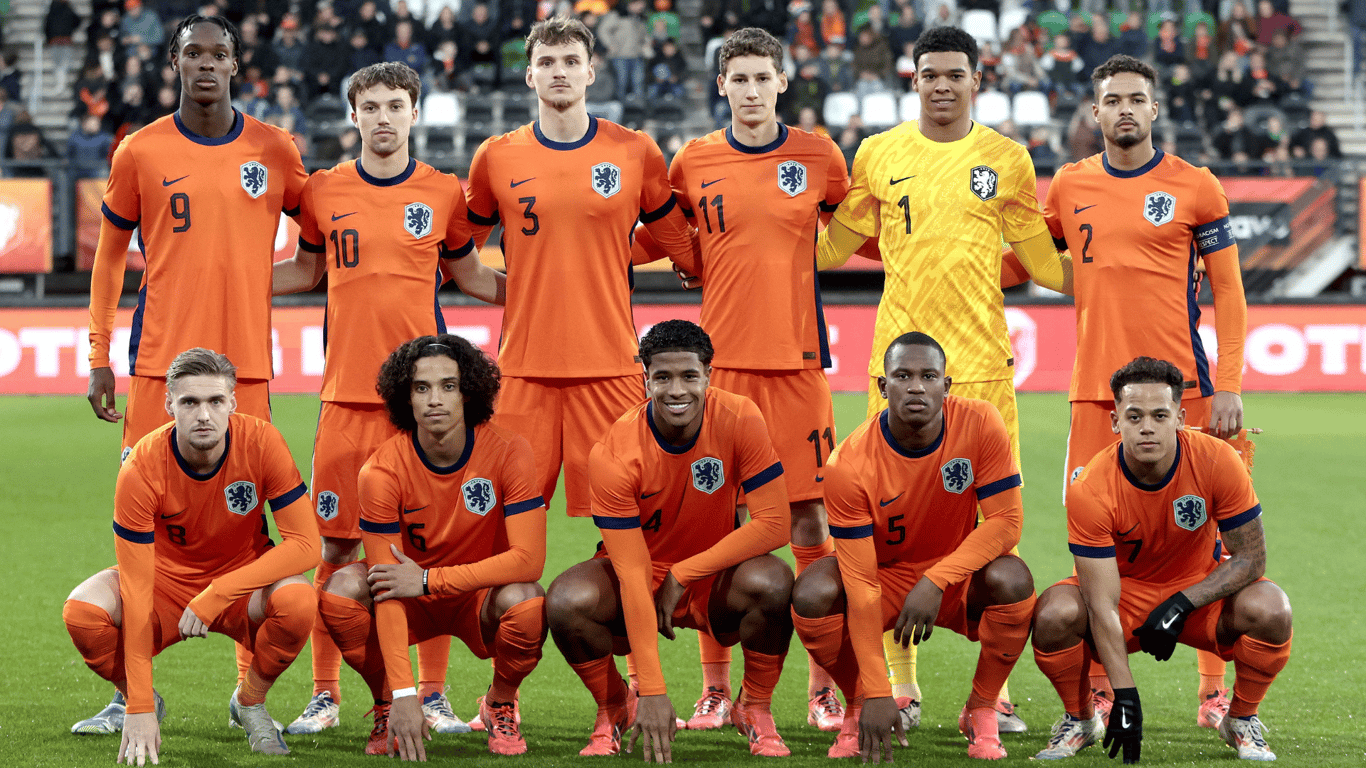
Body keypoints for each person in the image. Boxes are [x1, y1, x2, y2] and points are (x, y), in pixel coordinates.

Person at [814, 24, 1071, 734]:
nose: (942, 85)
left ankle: (998, 694)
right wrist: (748, 241)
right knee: (887, 531)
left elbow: (1043, 264)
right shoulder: (878, 152)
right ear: (914, 79)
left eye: (955, 74)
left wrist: (1121, 274)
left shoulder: (1008, 159)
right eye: (930, 73)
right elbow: (833, 245)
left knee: (998, 533)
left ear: (978, 79)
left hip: (981, 367)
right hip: (895, 371)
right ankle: (901, 684)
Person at [80, 14, 309, 735]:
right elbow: (110, 257)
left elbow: (324, 236)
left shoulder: (275, 149)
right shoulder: (140, 149)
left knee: (258, 527)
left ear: (237, 63)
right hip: (157, 370)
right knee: (140, 515)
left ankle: (251, 695)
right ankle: (130, 695)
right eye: (192, 53)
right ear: (173, 62)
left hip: (247, 371)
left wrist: (264, 285)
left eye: (219, 54)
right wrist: (97, 355)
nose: (206, 64)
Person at [1009, 55, 1248, 728]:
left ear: (1154, 109)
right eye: (1111, 99)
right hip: (1094, 395)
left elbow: (1229, 293)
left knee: (1209, 541)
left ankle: (1212, 693)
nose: (1123, 109)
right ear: (1094, 112)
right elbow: (1030, 262)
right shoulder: (1069, 183)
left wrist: (1227, 383)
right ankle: (1100, 693)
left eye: (1136, 99)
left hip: (1185, 394)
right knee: (1093, 542)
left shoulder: (1195, 186)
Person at [271, 61, 508, 739]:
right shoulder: (323, 190)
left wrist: (552, 292)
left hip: (423, 407)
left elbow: (470, 276)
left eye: (395, 105)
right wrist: (222, 278)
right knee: (337, 552)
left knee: (426, 553)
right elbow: (305, 269)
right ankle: (325, 694)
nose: (382, 117)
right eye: (370, 106)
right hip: (345, 400)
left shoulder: (442, 192)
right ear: (354, 116)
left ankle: (431, 694)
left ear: (414, 112)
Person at [634, 25, 849, 733]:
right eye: (739, 79)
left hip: (796, 365)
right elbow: (665, 237)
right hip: (718, 371)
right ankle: (715, 690)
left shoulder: (818, 156)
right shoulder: (693, 160)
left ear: (782, 82)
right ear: (720, 85)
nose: (751, 90)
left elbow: (855, 230)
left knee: (811, 517)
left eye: (764, 77)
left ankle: (822, 686)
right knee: (715, 521)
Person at [463, 15, 695, 522]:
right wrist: (524, 291)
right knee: (501, 524)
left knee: (629, 524)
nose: (559, 72)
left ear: (592, 72)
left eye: (571, 62)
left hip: (610, 366)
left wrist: (694, 264)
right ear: (529, 75)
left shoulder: (635, 151)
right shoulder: (496, 158)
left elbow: (679, 241)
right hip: (524, 371)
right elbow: (459, 255)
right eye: (546, 63)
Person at [546, 320, 795, 761]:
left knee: (774, 581)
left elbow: (775, 525)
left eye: (688, 377)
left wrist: (685, 572)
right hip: (637, 576)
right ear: (645, 379)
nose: (676, 390)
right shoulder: (613, 452)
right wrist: (654, 690)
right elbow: (632, 570)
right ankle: (615, 708)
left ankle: (755, 708)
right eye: (662, 377)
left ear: (709, 376)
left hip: (714, 576)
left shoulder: (740, 417)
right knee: (568, 600)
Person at [62, 348, 320, 761]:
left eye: (216, 402)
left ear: (233, 403)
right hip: (163, 583)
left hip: (241, 586)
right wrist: (140, 705)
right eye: (190, 402)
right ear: (169, 406)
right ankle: (137, 697)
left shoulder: (262, 441)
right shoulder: (141, 467)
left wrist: (219, 592)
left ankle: (250, 702)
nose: (204, 415)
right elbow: (136, 584)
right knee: (82, 611)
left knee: (298, 601)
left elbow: (308, 545)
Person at [1031, 357, 1291, 763]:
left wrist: (1181, 603)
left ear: (1181, 418)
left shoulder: (1218, 460)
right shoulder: (1090, 488)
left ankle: (1240, 719)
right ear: (1115, 421)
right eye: (1134, 416)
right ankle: (1081, 718)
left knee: (1271, 608)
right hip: (1124, 598)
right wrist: (1126, 696)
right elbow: (1100, 603)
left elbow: (1251, 560)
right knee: (1054, 613)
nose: (1147, 426)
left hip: (1198, 594)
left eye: (1159, 415)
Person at [792, 333, 1036, 760]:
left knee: (1013, 579)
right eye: (903, 376)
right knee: (813, 592)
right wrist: (875, 690)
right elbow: (862, 583)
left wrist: (936, 580)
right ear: (883, 387)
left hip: (954, 576)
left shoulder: (981, 422)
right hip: (883, 577)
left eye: (929, 376)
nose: (917, 386)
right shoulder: (848, 466)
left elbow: (1007, 523)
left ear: (948, 385)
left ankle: (981, 707)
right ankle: (855, 706)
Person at [318, 335, 548, 759]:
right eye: (421, 388)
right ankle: (386, 703)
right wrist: (405, 692)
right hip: (406, 601)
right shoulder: (381, 470)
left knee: (528, 602)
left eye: (448, 385)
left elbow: (530, 560)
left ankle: (499, 701)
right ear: (405, 397)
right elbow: (386, 583)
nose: (434, 399)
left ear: (469, 391)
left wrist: (427, 579)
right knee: (339, 592)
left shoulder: (509, 450)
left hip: (474, 596)